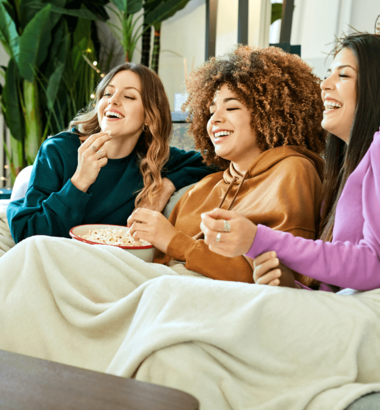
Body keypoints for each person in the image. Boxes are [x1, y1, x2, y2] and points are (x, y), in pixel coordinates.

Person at [127, 45, 327, 284]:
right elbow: (158, 259)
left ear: (270, 113)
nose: (215, 120)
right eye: (211, 113)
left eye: (232, 107)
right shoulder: (204, 187)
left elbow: (282, 278)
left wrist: (176, 242)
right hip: (156, 285)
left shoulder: (293, 171)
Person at [200, 33, 380, 292]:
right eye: (329, 73)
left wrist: (258, 239)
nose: (325, 84)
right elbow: (336, 292)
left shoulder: (296, 169)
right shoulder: (343, 170)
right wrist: (291, 287)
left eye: (343, 75)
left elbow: (373, 265)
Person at [7, 62, 217, 243]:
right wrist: (79, 182)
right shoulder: (58, 151)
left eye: (128, 96)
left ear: (149, 117)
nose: (113, 100)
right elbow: (29, 235)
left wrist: (166, 187)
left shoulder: (152, 159)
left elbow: (215, 160)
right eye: (108, 93)